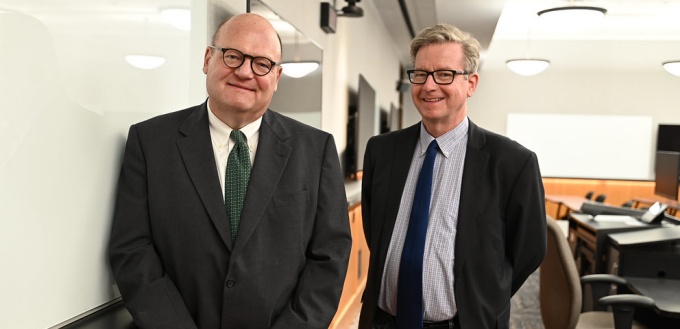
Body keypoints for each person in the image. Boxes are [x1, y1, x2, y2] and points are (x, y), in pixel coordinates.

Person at [108, 13, 351, 329]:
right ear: (208, 59)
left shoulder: (315, 150)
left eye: (262, 64)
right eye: (233, 56)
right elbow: (132, 250)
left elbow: (329, 255)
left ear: (276, 77)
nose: (245, 72)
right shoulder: (150, 142)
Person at [358, 23, 546, 329]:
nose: (429, 86)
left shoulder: (512, 163)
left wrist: (485, 297)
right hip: (382, 321)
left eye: (444, 74)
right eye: (420, 74)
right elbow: (375, 232)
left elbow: (529, 250)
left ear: (471, 83)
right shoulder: (381, 151)